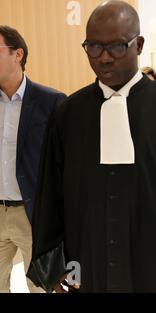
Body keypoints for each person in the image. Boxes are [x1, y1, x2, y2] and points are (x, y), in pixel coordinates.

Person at [27, 0, 156, 293]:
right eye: (93, 47)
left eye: (116, 47)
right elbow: (51, 195)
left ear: (139, 45)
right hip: (88, 260)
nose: (103, 58)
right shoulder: (68, 113)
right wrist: (54, 265)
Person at [0, 25, 66, 293]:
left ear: (18, 54)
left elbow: (63, 165)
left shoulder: (51, 101)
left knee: (40, 287)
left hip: (33, 214)